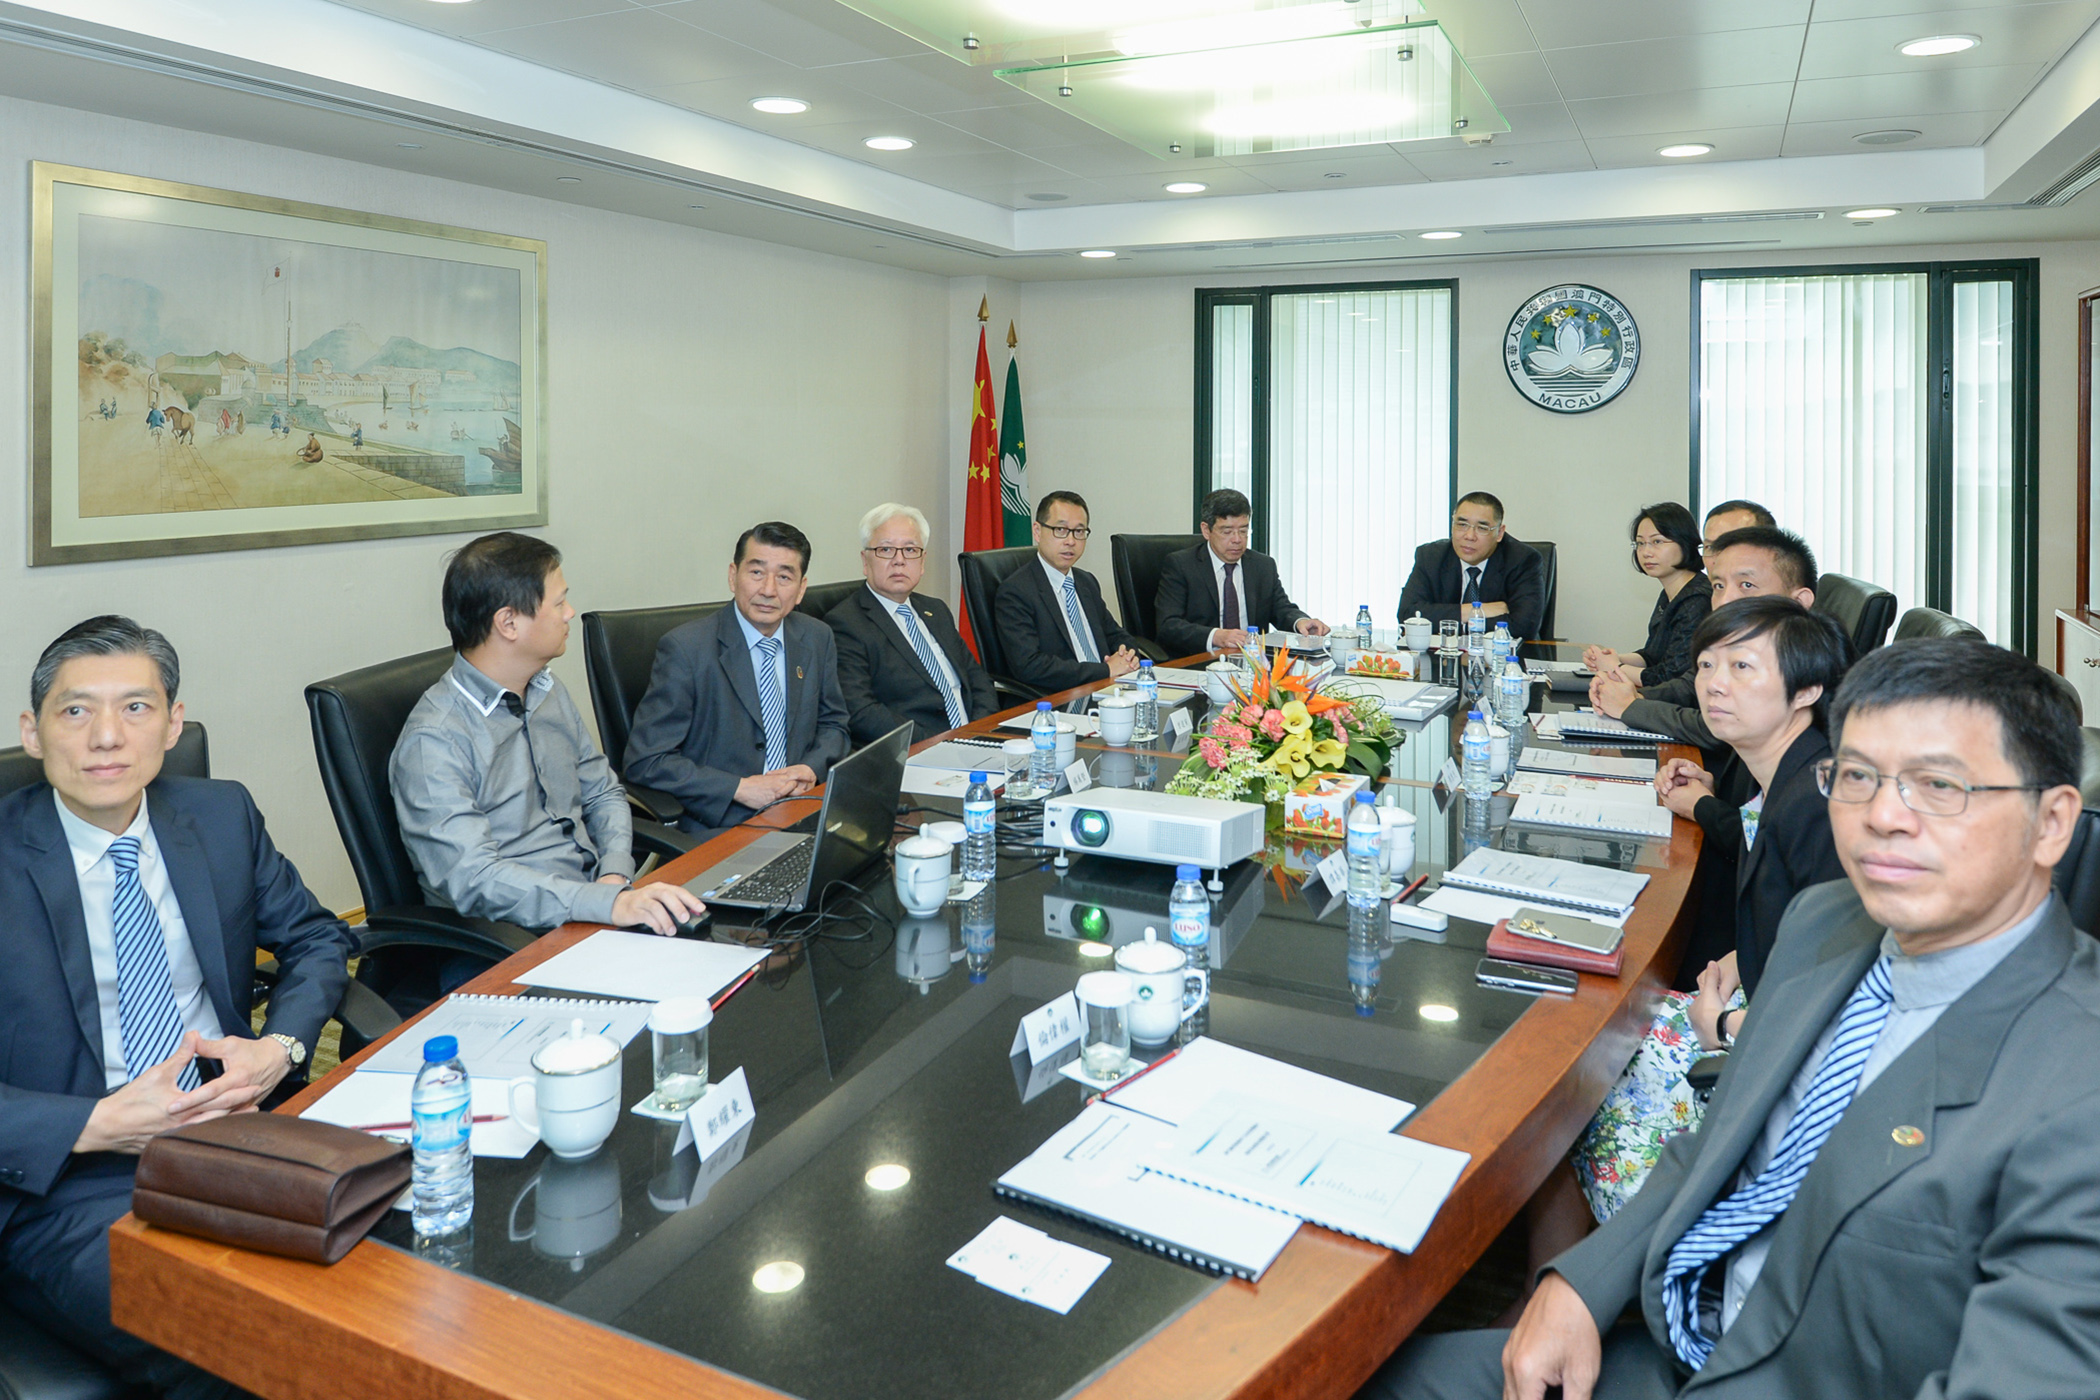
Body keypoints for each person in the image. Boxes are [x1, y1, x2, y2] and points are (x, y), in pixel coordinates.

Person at [1364, 635, 2098, 1400]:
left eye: (1938, 786)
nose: (1883, 815)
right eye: (1857, 776)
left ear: (2052, 821)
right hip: (1684, 1343)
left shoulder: (2080, 1083)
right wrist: (1579, 1283)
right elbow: (1719, 1143)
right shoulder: (1827, 922)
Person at [0, 617, 357, 1400]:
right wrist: (96, 1124)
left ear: (172, 724)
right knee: (234, 1339)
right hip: (68, 1181)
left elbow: (317, 938)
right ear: (32, 731)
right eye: (75, 710)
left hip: (242, 1128)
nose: (106, 736)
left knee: (396, 1269)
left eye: (136, 708)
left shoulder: (220, 815)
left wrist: (281, 1049)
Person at [1572, 598, 1851, 1221]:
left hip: (1784, 1065)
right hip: (1758, 1007)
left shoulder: (1820, 807)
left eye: (1742, 666)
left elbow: (1845, 1004)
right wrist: (1736, 959)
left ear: (1807, 690)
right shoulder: (1788, 776)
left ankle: (1644, 1251)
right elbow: (1798, 929)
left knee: (1590, 1062)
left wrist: (1723, 1028)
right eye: (1706, 665)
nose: (1714, 684)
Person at [391, 532, 705, 939]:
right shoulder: (434, 740)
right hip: (511, 936)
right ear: (508, 623)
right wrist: (600, 902)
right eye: (558, 603)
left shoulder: (546, 690)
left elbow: (602, 792)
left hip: (591, 905)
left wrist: (613, 875)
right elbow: (474, 879)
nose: (570, 613)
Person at [626, 521, 852, 841]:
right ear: (733, 576)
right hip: (724, 824)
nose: (768, 590)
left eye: (784, 577)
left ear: (801, 588)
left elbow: (835, 724)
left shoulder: (816, 637)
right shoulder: (685, 649)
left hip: (804, 810)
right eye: (756, 572)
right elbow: (646, 761)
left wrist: (810, 768)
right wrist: (740, 788)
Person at [1595, 524, 1818, 746]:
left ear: (1799, 601)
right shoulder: (1732, 644)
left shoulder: (1800, 661)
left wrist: (1631, 706)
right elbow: (1688, 686)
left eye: (1746, 585)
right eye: (1719, 586)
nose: (1725, 600)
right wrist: (1632, 696)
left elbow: (1719, 730)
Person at [826, 503, 997, 744]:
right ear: (865, 561)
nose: (899, 560)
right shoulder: (845, 624)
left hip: (976, 741)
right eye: (886, 549)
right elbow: (861, 712)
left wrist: (978, 732)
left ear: (922, 561)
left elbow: (977, 680)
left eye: (910, 550)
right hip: (919, 752)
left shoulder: (936, 610)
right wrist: (940, 746)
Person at [993, 490, 1142, 693]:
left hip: (1107, 690)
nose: (1071, 541)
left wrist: (1128, 656)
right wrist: (1105, 670)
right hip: (1061, 698)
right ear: (1037, 531)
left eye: (1079, 531)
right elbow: (1029, 665)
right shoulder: (1016, 592)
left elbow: (1116, 635)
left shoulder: (1086, 582)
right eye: (1061, 530)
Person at [1152, 487, 1328, 656]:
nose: (1237, 539)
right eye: (1227, 532)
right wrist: (1216, 636)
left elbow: (1281, 608)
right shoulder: (1182, 565)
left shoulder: (1262, 565)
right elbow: (1168, 625)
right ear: (1206, 530)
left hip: (1254, 661)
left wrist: (1300, 622)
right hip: (1201, 660)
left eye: (1243, 531)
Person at [1582, 503, 1709, 689]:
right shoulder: (1670, 593)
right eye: (1640, 543)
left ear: (1685, 542)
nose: (1646, 552)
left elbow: (1669, 676)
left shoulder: (1697, 599)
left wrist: (1615, 668)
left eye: (1657, 542)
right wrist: (1612, 659)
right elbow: (1653, 656)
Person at [1396, 491, 1546, 640]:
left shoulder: (1522, 560)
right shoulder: (1430, 557)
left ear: (1499, 533)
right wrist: (1477, 611)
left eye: (1482, 528)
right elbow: (1407, 614)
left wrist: (1447, 620)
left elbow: (1524, 626)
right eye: (1462, 525)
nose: (1469, 536)